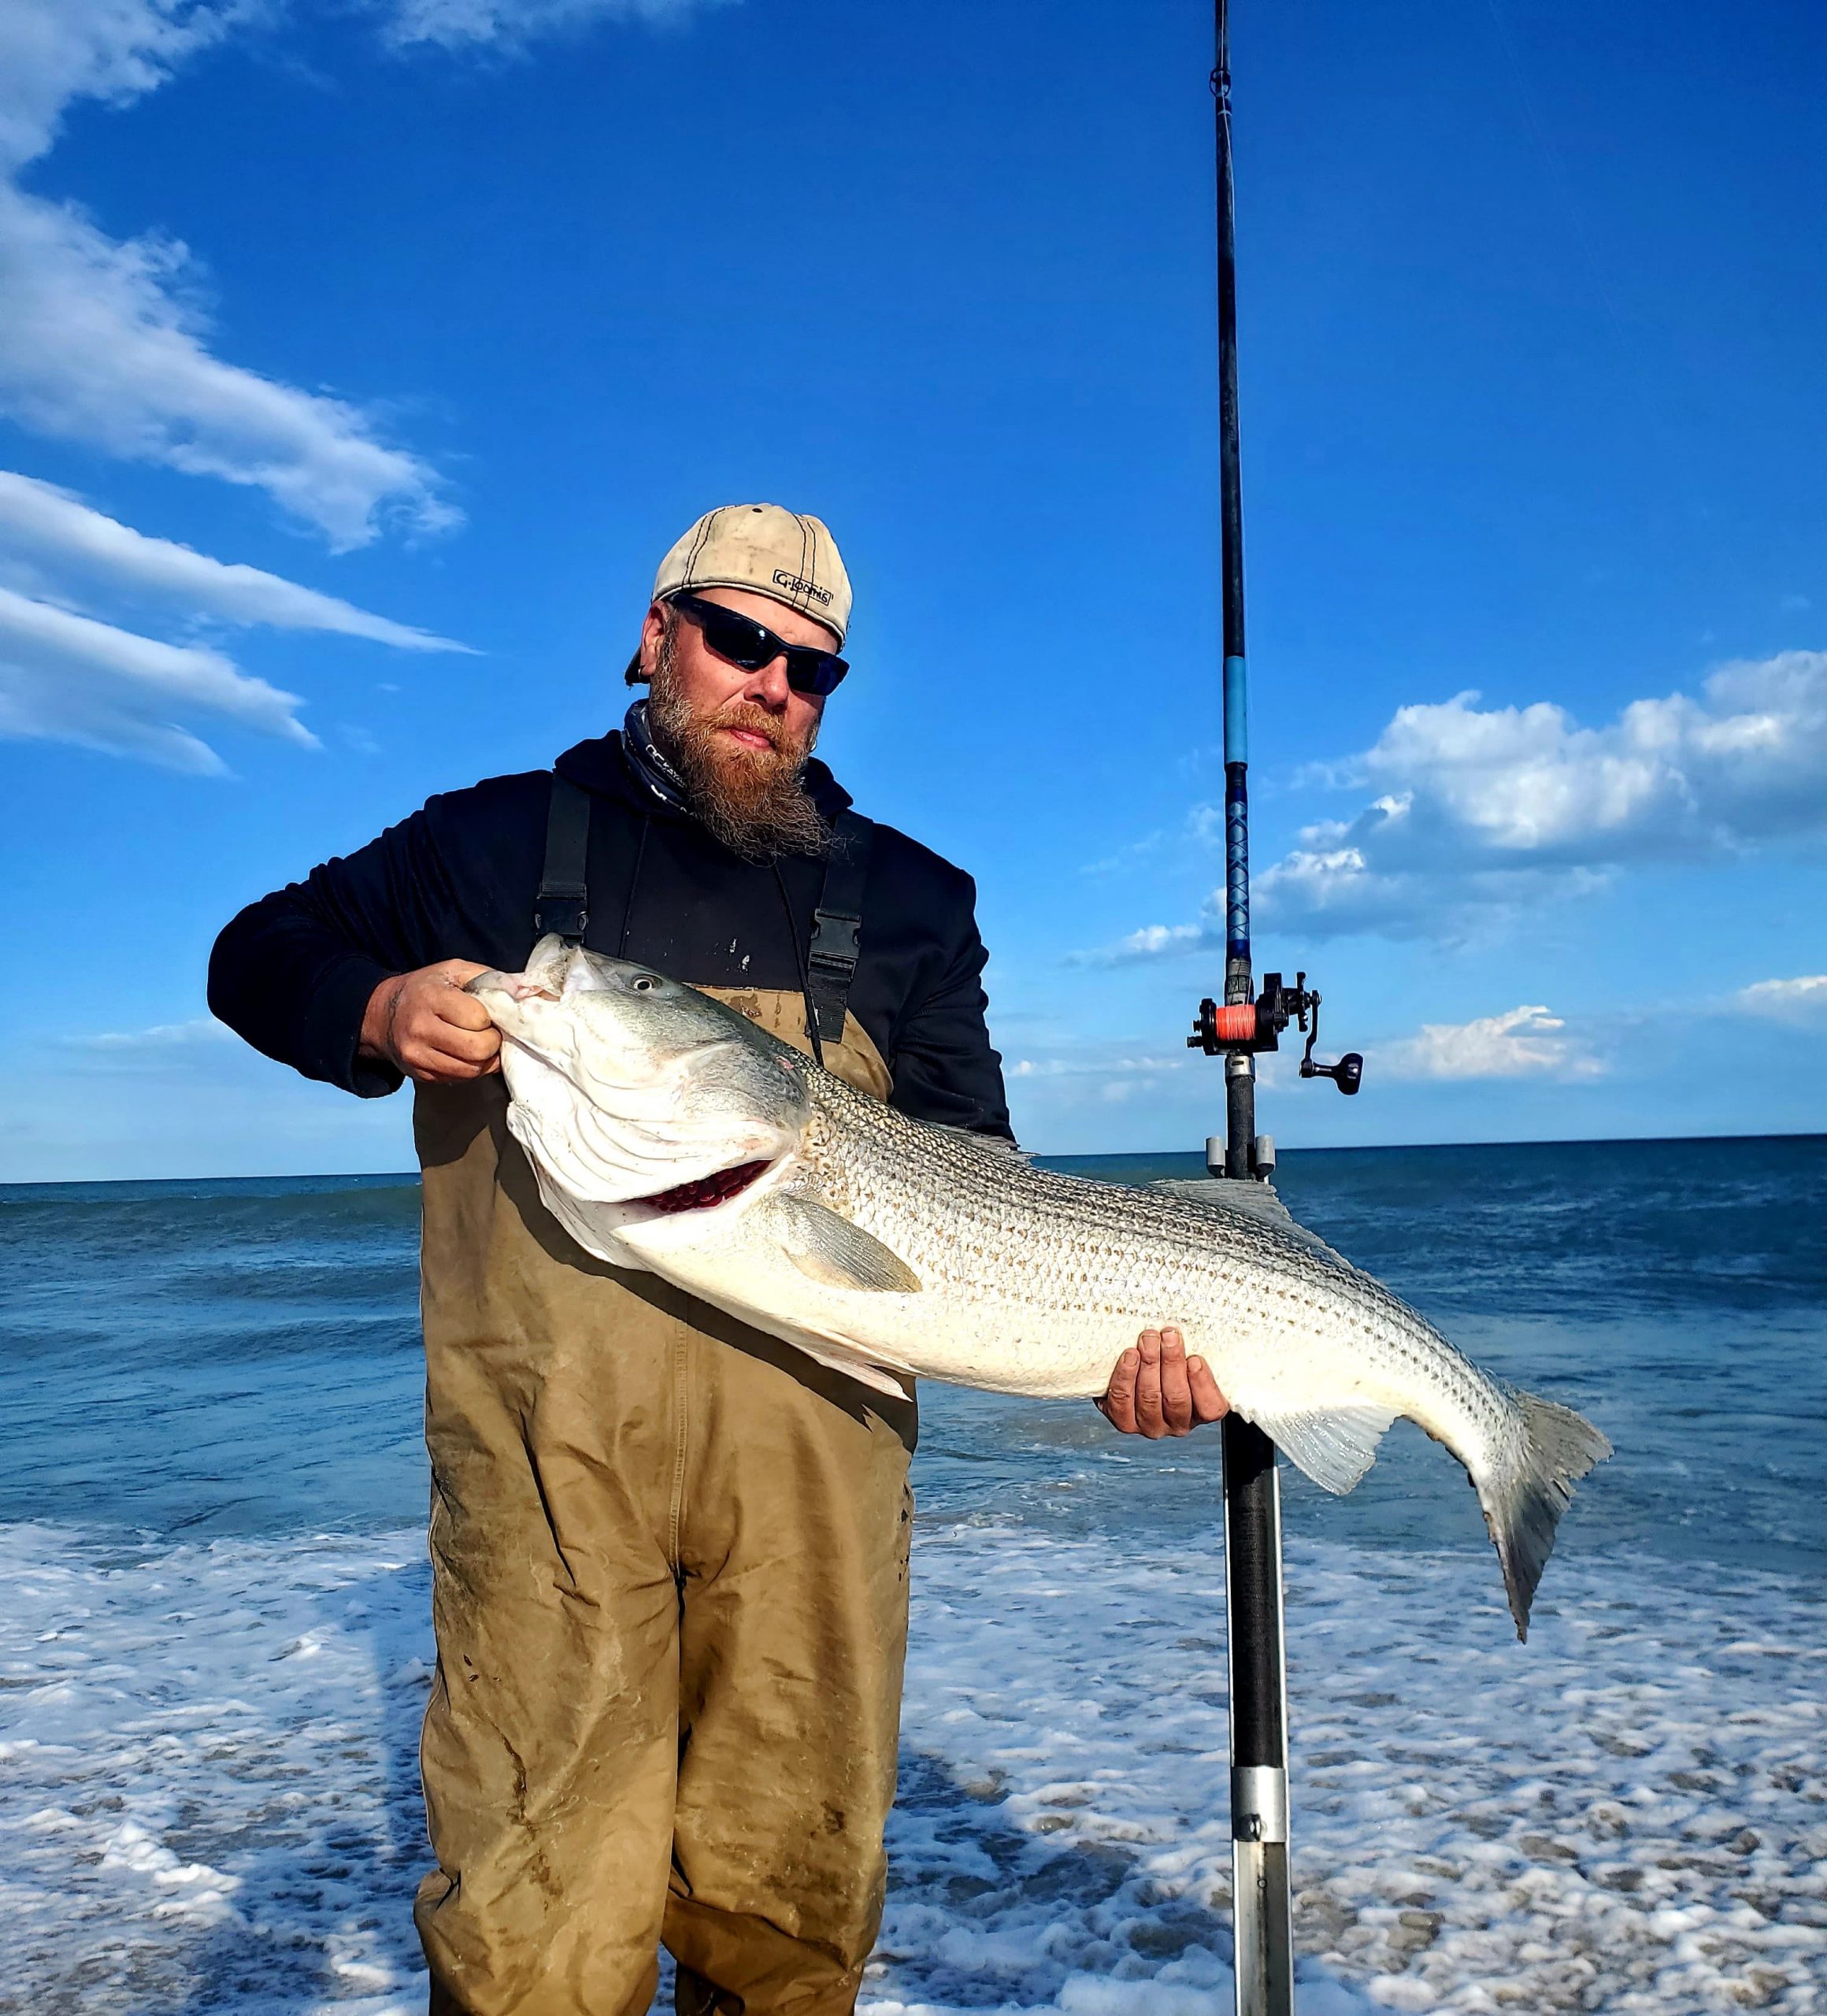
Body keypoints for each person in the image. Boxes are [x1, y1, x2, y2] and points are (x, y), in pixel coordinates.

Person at [209, 504, 1228, 2016]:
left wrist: (1104, 1346)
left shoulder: (912, 898)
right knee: (535, 1926)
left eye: (814, 670)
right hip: (550, 1478)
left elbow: (978, 1182)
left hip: (814, 1487)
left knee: (789, 1910)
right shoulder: (493, 841)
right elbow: (255, 950)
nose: (774, 687)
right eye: (741, 640)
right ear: (655, 634)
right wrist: (375, 1009)